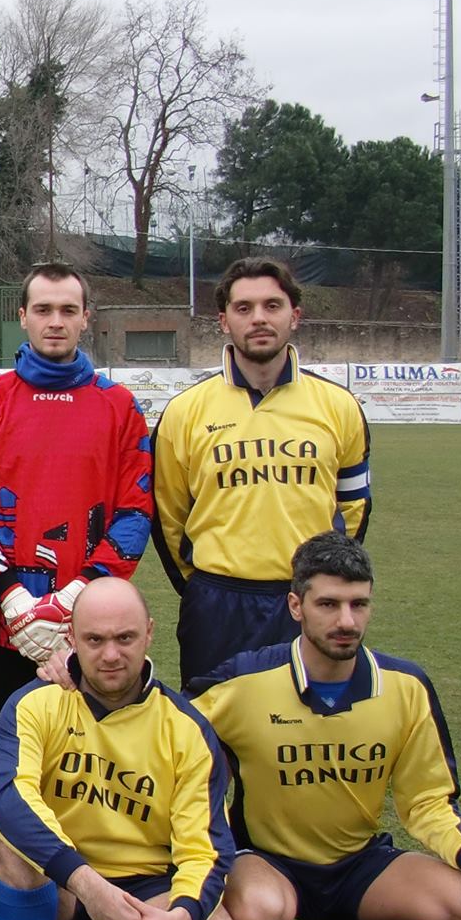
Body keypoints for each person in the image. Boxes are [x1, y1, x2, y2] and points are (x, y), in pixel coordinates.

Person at [192, 533, 461, 920]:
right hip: (266, 860)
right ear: (296, 606)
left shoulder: (405, 688)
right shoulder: (244, 682)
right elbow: (166, 731)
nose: (346, 621)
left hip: (358, 864)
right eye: (328, 604)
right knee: (258, 913)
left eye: (358, 604)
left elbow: (428, 799)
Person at [0, 264, 153, 920]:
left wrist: (77, 594)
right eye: (43, 309)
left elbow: (134, 509)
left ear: (87, 317)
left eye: (68, 309)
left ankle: (103, 914)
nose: (55, 321)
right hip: (1, 623)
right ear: (22, 316)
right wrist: (11, 593)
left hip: (93, 626)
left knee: (95, 768)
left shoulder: (120, 407)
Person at [0, 577, 241, 920]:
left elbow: (206, 847)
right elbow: (8, 797)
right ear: (71, 640)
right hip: (66, 886)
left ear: (149, 634)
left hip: (146, 889)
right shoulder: (37, 702)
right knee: (13, 850)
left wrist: (182, 917)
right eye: (94, 640)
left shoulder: (186, 728)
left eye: (124, 638)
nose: (109, 655)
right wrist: (84, 881)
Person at [153, 257, 372, 684]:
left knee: (307, 729)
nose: (258, 319)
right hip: (218, 602)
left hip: (307, 596)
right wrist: (203, 586)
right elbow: (167, 519)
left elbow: (355, 506)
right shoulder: (184, 412)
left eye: (272, 306)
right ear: (223, 321)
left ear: (295, 315)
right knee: (211, 737)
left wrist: (324, 582)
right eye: (244, 308)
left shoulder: (339, 406)